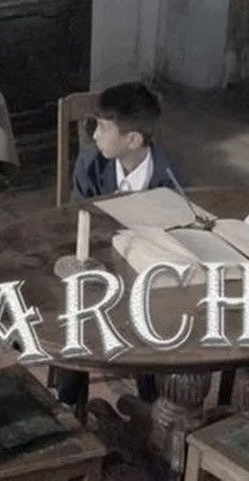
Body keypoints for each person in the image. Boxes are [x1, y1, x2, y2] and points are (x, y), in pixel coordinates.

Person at [61, 81, 184, 407]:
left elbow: (178, 231)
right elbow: (75, 221)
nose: (95, 135)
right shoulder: (90, 163)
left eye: (103, 128)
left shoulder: (170, 175)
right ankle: (69, 400)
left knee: (156, 313)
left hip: (148, 269)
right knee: (76, 307)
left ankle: (151, 399)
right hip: (99, 262)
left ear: (133, 140)